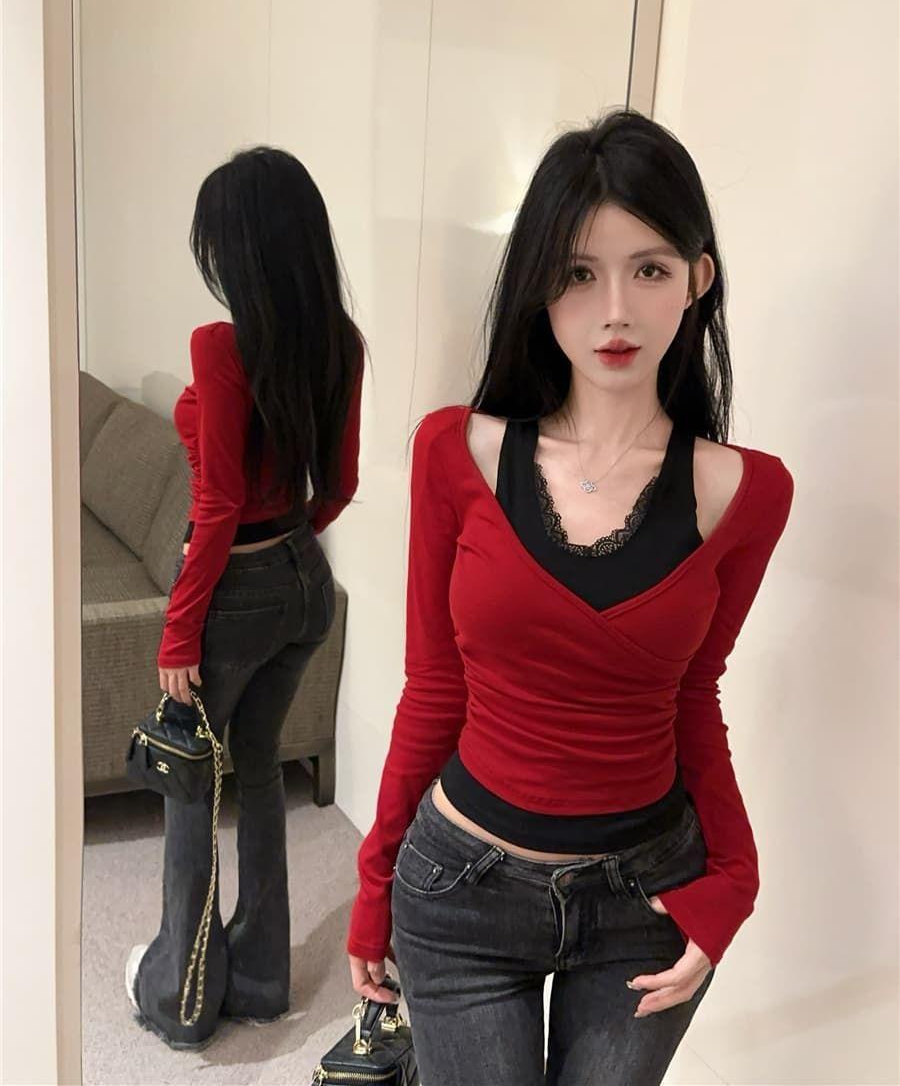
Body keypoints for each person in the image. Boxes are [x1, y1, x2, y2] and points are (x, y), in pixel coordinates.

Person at [345, 109, 794, 1085]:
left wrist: (735, 881)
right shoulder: (454, 452)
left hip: (646, 896)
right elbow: (433, 685)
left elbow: (693, 694)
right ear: (539, 287)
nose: (615, 311)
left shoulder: (746, 492)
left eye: (649, 270)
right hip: (464, 893)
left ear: (698, 280)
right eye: (579, 273)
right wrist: (373, 886)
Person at [126, 146, 366, 1050]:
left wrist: (179, 629)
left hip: (235, 591)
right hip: (306, 584)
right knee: (256, 767)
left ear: (243, 249)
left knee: (189, 782)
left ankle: (180, 998)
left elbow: (219, 505)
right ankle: (262, 980)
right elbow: (338, 486)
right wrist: (292, 543)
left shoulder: (221, 346)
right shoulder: (339, 343)